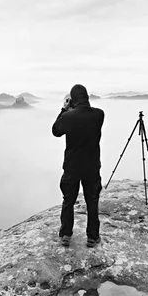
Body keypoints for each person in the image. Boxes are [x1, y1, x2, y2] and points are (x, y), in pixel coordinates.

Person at [52, 84, 104, 247]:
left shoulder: (68, 117)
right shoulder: (99, 115)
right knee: (92, 201)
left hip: (72, 166)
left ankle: (66, 234)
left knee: (68, 200)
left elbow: (56, 131)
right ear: (87, 97)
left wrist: (64, 109)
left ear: (72, 100)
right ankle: (93, 237)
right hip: (92, 166)